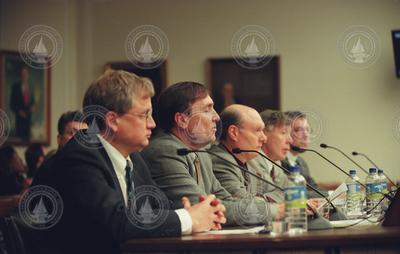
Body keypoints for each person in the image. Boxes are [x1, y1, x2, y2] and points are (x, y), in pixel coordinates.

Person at [32, 70, 226, 254]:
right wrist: (187, 219)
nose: (152, 124)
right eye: (144, 115)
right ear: (112, 120)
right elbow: (117, 223)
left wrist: (198, 212)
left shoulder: (132, 157)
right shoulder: (79, 158)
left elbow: (158, 207)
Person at [141, 82, 273, 226]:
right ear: (182, 120)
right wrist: (275, 211)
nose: (216, 117)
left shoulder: (202, 153)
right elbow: (203, 209)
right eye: (207, 110)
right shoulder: (164, 152)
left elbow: (226, 199)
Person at [209, 104, 285, 220]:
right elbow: (243, 206)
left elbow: (280, 192)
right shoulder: (219, 161)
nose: (264, 138)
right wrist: (272, 204)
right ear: (233, 132)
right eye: (257, 130)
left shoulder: (253, 161)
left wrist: (260, 199)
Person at [281, 111, 327, 197]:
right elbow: (293, 193)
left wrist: (331, 194)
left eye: (307, 129)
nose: (306, 135)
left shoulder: (301, 162)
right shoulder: (278, 161)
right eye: (298, 130)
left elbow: (317, 190)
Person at [10, 66, 34, 140]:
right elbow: (12, 104)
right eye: (22, 74)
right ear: (20, 76)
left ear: (28, 76)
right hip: (19, 119)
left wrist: (33, 107)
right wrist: (19, 112)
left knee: (28, 138)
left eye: (26, 74)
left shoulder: (30, 87)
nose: (24, 76)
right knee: (19, 138)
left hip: (28, 119)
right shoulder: (15, 87)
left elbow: (32, 102)